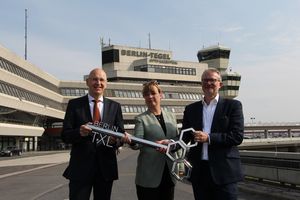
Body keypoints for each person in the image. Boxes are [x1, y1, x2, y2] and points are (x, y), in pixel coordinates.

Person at [61, 68, 126, 200]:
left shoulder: (115, 107)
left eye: (102, 80)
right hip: (80, 168)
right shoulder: (74, 105)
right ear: (87, 82)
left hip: (105, 168)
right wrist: (79, 132)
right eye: (94, 79)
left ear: (106, 83)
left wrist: (116, 140)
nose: (98, 83)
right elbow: (65, 135)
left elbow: (121, 134)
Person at [181, 68, 244, 200]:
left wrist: (209, 138)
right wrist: (169, 144)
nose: (208, 83)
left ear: (220, 84)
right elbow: (184, 136)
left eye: (212, 80)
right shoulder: (191, 109)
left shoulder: (233, 106)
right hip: (200, 172)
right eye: (205, 80)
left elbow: (237, 136)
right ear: (201, 84)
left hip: (225, 172)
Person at [130, 80, 178, 200]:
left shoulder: (171, 116)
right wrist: (130, 140)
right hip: (148, 176)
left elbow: (177, 139)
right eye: (146, 94)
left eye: (153, 93)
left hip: (169, 173)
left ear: (161, 94)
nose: (150, 96)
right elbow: (137, 143)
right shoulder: (141, 119)